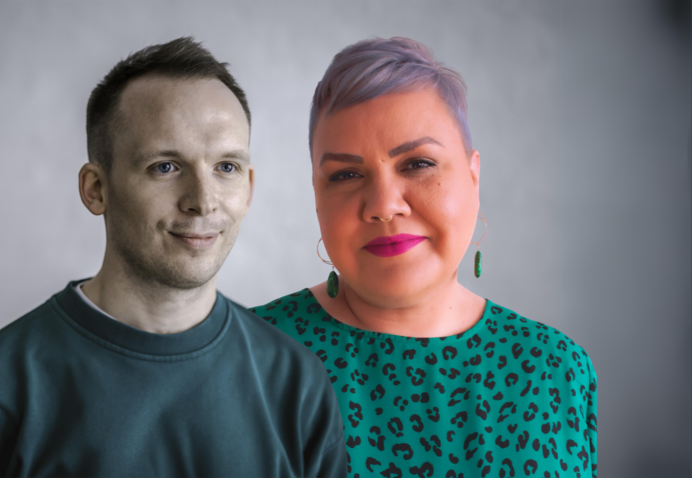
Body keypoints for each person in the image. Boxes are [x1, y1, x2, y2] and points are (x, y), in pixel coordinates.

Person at [0, 37, 346, 477]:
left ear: (248, 187)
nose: (203, 201)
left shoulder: (297, 383)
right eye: (165, 167)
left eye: (225, 167)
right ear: (96, 189)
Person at [251, 37, 597, 478]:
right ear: (318, 199)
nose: (383, 204)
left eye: (417, 164)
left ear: (473, 177)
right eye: (346, 174)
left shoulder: (559, 369)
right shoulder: (244, 359)